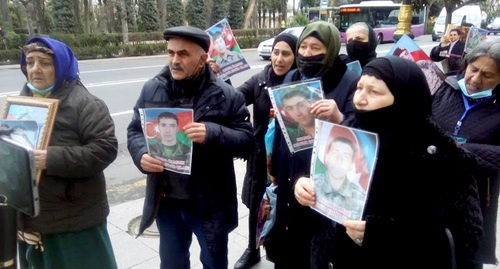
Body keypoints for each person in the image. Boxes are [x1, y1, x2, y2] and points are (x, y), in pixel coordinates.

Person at [294, 56, 484, 268]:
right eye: (359, 88)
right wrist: (307, 188)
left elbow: (467, 239)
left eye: (374, 92)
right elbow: (327, 187)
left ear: (404, 97)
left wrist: (385, 235)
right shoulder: (347, 131)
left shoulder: (442, 155)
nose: (359, 99)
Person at [127, 26, 253, 269]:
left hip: (209, 204)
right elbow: (135, 129)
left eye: (183, 54)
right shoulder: (152, 88)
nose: (175, 60)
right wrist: (140, 154)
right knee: (172, 263)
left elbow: (246, 142)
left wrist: (212, 133)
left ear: (203, 59)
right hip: (166, 203)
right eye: (170, 53)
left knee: (213, 263)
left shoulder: (226, 95)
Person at [16, 37, 119, 269]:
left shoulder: (86, 104)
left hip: (73, 220)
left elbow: (105, 148)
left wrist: (50, 158)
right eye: (30, 62)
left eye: (44, 63)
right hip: (31, 216)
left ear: (61, 66)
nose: (35, 70)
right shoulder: (21, 103)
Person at [267, 21, 359, 269]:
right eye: (303, 47)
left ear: (329, 49)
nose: (306, 54)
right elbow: (281, 128)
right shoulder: (292, 76)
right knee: (287, 238)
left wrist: (339, 118)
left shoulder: (348, 81)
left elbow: (360, 136)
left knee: (313, 241)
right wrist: (275, 168)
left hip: (320, 175)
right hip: (289, 168)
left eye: (315, 47)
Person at [432, 40, 500, 268]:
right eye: (473, 70)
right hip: (433, 189)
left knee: (465, 255)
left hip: (475, 196)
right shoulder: (448, 89)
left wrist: (461, 151)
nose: (476, 80)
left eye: (488, 75)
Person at [234, 33, 298, 269]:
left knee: (283, 207)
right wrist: (218, 77)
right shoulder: (260, 80)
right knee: (256, 203)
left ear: (296, 56)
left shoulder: (302, 83)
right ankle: (253, 248)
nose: (279, 59)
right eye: (276, 52)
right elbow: (234, 99)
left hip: (289, 160)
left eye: (286, 53)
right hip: (261, 157)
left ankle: (280, 250)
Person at [313, 137, 366, 214]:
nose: (339, 159)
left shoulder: (361, 198)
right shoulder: (311, 183)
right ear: (326, 157)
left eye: (346, 156)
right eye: (335, 152)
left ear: (351, 165)